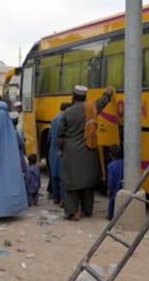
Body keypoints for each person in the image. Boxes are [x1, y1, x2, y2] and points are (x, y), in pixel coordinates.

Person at [58, 85, 114, 220]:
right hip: (89, 151)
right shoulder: (91, 108)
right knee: (87, 183)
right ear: (85, 97)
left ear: (73, 96)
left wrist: (61, 149)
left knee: (71, 183)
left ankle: (73, 212)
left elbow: (60, 135)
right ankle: (87, 210)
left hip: (71, 152)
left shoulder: (67, 113)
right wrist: (108, 93)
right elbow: (103, 101)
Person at [48, 102, 69, 205]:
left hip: (53, 149)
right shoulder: (65, 119)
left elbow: (50, 135)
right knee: (62, 175)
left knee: (54, 174)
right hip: (62, 149)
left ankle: (56, 197)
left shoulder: (54, 119)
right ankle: (63, 199)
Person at [106, 145, 124, 220]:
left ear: (110, 154)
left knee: (112, 202)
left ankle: (111, 216)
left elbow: (110, 179)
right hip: (123, 185)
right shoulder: (125, 163)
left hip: (114, 187)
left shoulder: (111, 165)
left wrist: (109, 188)